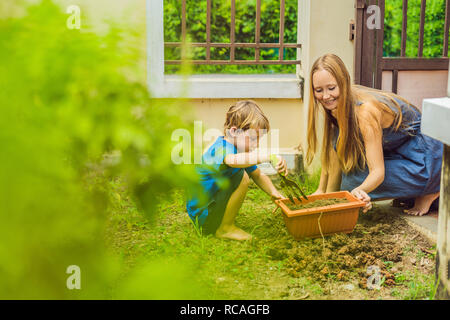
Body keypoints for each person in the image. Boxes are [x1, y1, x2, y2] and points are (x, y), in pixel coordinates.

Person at [306, 53, 443, 216]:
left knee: (351, 182)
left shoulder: (365, 112)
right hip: (399, 151)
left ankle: (433, 188)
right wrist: (323, 192)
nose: (326, 96)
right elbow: (334, 150)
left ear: (343, 83)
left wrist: (359, 191)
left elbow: (377, 172)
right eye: (319, 90)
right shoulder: (336, 105)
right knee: (348, 176)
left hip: (427, 158)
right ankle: (415, 191)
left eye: (331, 88)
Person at [186, 100, 287, 240]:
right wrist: (266, 157)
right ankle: (225, 229)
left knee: (245, 172)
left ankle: (223, 222)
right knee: (242, 176)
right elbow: (233, 161)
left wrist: (273, 192)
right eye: (252, 138)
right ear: (234, 132)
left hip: (207, 210)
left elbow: (257, 174)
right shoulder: (221, 148)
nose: (256, 144)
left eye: (259, 139)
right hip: (203, 216)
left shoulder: (239, 150)